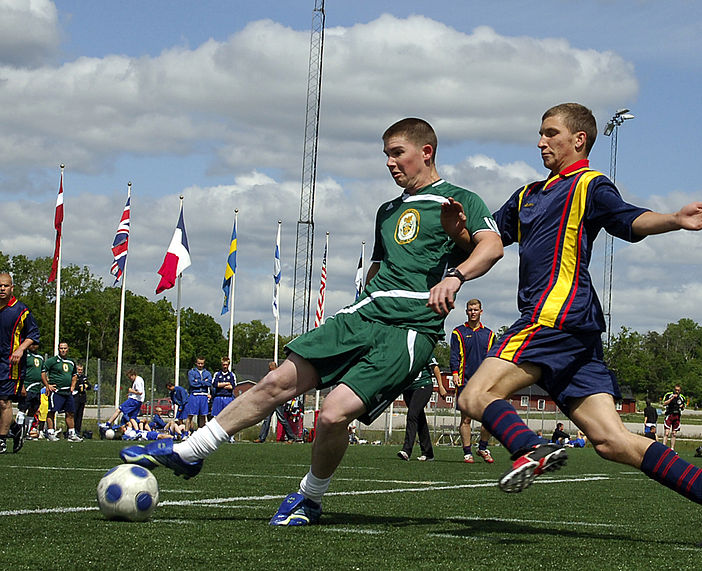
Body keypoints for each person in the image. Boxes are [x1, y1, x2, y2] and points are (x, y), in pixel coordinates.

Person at [121, 117, 503, 527]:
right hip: (363, 314)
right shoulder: (387, 211)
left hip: (410, 325)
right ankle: (190, 452)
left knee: (332, 415)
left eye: (398, 153)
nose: (391, 163)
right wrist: (359, 303)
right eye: (386, 155)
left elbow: (492, 246)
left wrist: (455, 275)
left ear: (425, 152)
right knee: (276, 382)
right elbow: (378, 270)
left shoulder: (458, 199)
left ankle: (309, 498)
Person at [455, 103, 702, 548]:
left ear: (579, 140)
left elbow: (629, 219)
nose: (540, 142)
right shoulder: (527, 194)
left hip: (554, 315)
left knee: (475, 394)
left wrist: (674, 219)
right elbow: (490, 237)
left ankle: (530, 447)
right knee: (611, 440)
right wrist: (458, 230)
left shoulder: (590, 185)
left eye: (551, 134)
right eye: (540, 134)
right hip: (578, 331)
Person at [450, 299, 496, 463]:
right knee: (466, 419)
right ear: (466, 312)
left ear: (481, 311)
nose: (473, 312)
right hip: (465, 381)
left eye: (476, 309)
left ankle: (482, 447)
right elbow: (454, 355)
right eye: (470, 310)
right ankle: (467, 452)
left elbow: (493, 358)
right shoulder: (458, 332)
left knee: (489, 419)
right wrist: (454, 373)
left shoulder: (490, 334)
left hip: (484, 383)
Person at [0, 272, 39, 453]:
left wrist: (20, 349)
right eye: (0, 285)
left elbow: (33, 335)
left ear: (12, 288)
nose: (2, 288)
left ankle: (1, 440)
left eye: (5, 285)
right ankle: (15, 429)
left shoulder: (21, 310)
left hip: (10, 364)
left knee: (3, 401)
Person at [397, 356, 447, 462]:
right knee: (420, 419)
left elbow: (435, 367)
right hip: (408, 388)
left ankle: (407, 450)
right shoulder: (402, 349)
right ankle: (428, 452)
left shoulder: (423, 347)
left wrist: (441, 386)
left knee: (412, 415)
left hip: (423, 385)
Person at [253, 361, 300, 443]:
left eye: (272, 369)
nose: (271, 371)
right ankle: (261, 438)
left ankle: (291, 437)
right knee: (267, 419)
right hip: (270, 401)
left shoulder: (281, 377)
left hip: (278, 401)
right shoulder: (269, 377)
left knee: (282, 419)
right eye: (270, 369)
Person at [43, 341, 82, 442]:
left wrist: (73, 386)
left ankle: (72, 434)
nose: (63, 350)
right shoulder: (52, 361)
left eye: (65, 348)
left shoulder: (71, 362)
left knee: (70, 413)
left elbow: (74, 375)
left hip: (67, 392)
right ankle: (51, 433)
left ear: (68, 349)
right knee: (52, 411)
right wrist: (47, 385)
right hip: (56, 391)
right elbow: (43, 372)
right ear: (58, 349)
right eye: (61, 348)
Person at [22, 340, 46, 439]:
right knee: (22, 409)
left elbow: (43, 373)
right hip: (27, 386)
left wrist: (47, 385)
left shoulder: (40, 358)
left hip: (37, 388)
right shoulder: (24, 356)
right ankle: (19, 431)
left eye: (35, 344)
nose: (33, 346)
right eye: (31, 344)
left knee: (33, 410)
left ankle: (27, 432)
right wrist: (22, 386)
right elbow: (20, 371)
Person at [186, 356, 212, 432]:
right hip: (194, 395)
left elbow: (209, 383)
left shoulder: (207, 373)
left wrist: (198, 381)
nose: (200, 365)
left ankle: (201, 434)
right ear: (196, 363)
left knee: (202, 416)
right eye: (199, 363)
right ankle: (186, 433)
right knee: (190, 415)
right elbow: (192, 383)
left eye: (202, 363)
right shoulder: (191, 372)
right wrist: (204, 381)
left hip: (204, 395)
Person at [662, 385, 687, 449]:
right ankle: (663, 447)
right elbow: (664, 403)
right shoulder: (669, 395)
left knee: (674, 433)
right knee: (667, 433)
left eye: (678, 390)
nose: (677, 391)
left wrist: (682, 406)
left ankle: (672, 448)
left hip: (677, 416)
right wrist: (672, 398)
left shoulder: (682, 397)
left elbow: (684, 406)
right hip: (669, 414)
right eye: (676, 390)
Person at [73, 364, 91, 435]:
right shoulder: (74, 376)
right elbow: (75, 386)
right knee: (74, 414)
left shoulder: (84, 377)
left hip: (82, 398)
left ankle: (78, 431)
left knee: (80, 416)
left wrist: (84, 386)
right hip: (75, 398)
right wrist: (80, 386)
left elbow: (89, 386)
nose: (80, 371)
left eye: (81, 370)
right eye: (79, 370)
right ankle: (72, 430)